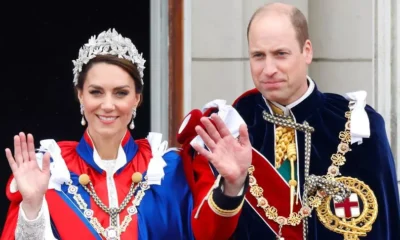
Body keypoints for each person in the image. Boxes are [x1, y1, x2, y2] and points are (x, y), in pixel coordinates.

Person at [177, 2, 400, 240]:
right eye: (258, 56)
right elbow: (206, 234)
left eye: (280, 54)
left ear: (307, 51)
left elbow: (386, 225)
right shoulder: (226, 130)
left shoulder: (357, 126)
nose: (269, 69)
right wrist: (232, 187)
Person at [1, 29, 194, 240]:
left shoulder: (166, 170)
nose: (108, 105)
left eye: (121, 93)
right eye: (96, 92)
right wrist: (32, 207)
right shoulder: (51, 171)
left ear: (137, 99)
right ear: (80, 95)